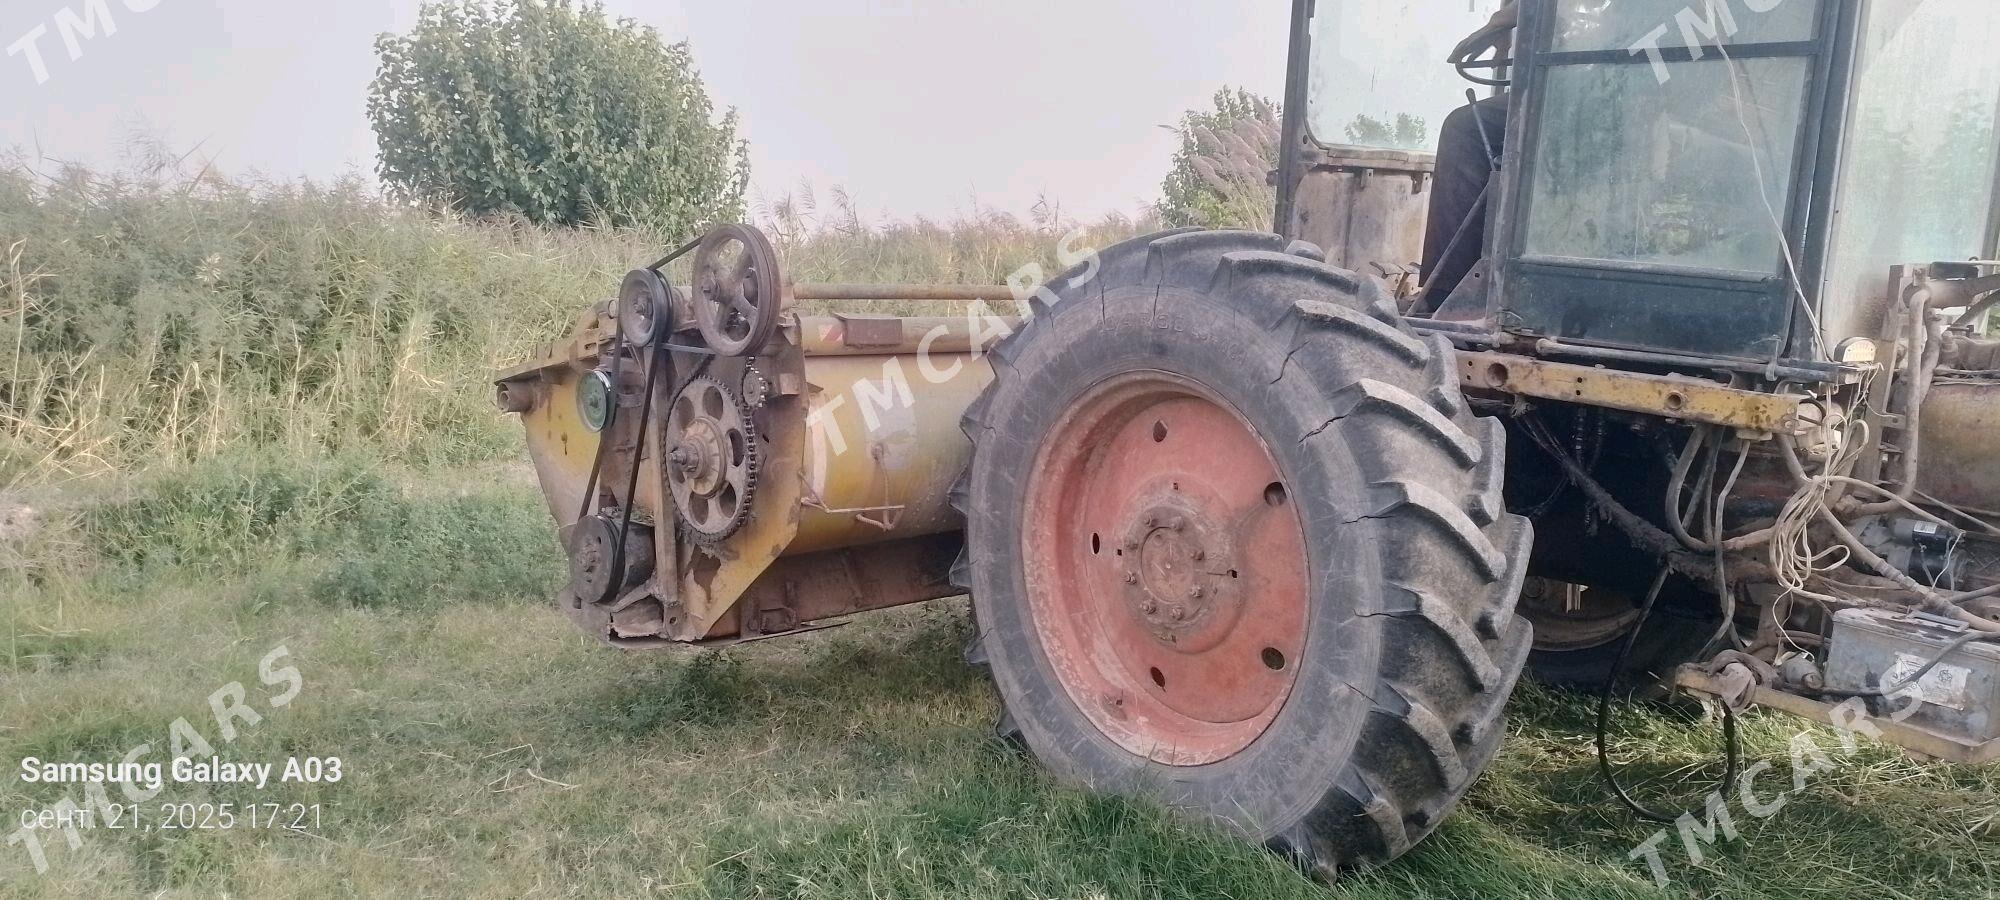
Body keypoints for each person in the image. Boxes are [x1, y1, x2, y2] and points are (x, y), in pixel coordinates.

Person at [1418, 3, 1518, 315]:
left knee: (1464, 127)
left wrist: (1493, 29)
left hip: (1587, 88)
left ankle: (1446, 293)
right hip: (1609, 78)